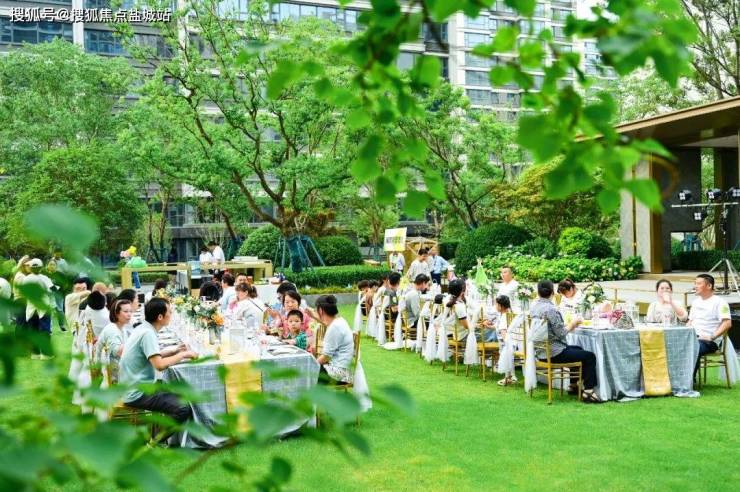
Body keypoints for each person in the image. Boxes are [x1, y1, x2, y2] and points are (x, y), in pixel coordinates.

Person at [119, 298, 197, 426]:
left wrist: (174, 351)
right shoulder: (148, 333)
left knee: (180, 390)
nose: (171, 314)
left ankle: (162, 429)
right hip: (137, 393)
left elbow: (151, 355)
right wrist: (183, 354)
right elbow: (159, 365)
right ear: (160, 317)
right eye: (170, 312)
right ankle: (158, 437)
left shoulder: (143, 328)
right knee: (183, 407)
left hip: (132, 387)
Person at [530, 280, 600, 403]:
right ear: (552, 292)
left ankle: (573, 385)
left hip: (540, 352)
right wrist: (573, 323)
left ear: (538, 292)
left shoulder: (534, 307)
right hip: (554, 353)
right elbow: (561, 333)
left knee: (578, 349)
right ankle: (589, 391)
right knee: (590, 356)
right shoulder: (551, 309)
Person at [687, 274, 732, 378]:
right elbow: (690, 322)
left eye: (698, 283)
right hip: (693, 337)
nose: (695, 286)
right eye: (695, 283)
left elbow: (727, 323)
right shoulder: (695, 302)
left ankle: (689, 380)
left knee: (694, 347)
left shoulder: (720, 302)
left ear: (709, 286)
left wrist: (712, 336)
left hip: (709, 341)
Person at [315, 295, 354, 383]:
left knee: (306, 373)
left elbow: (326, 356)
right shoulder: (340, 321)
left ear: (320, 310)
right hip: (342, 369)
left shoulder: (334, 327)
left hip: (338, 374)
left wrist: (312, 365)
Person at [21, 258, 55, 359]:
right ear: (41, 267)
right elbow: (52, 289)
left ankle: (35, 353)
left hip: (31, 307)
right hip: (43, 306)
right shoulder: (44, 278)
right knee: (45, 330)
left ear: (30, 268)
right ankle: (45, 354)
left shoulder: (26, 279)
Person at [95, 299, 132, 384]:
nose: (129, 314)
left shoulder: (121, 328)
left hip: (117, 368)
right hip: (114, 375)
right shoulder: (112, 330)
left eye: (130, 311)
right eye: (126, 311)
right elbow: (118, 351)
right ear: (116, 313)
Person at [491, 295, 524, 386]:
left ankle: (509, 377)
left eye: (496, 304)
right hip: (514, 341)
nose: (495, 306)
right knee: (507, 355)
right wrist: (489, 326)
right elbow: (498, 326)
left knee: (505, 354)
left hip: (506, 342)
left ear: (501, 306)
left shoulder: (504, 316)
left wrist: (507, 343)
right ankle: (511, 376)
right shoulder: (509, 313)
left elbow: (503, 330)